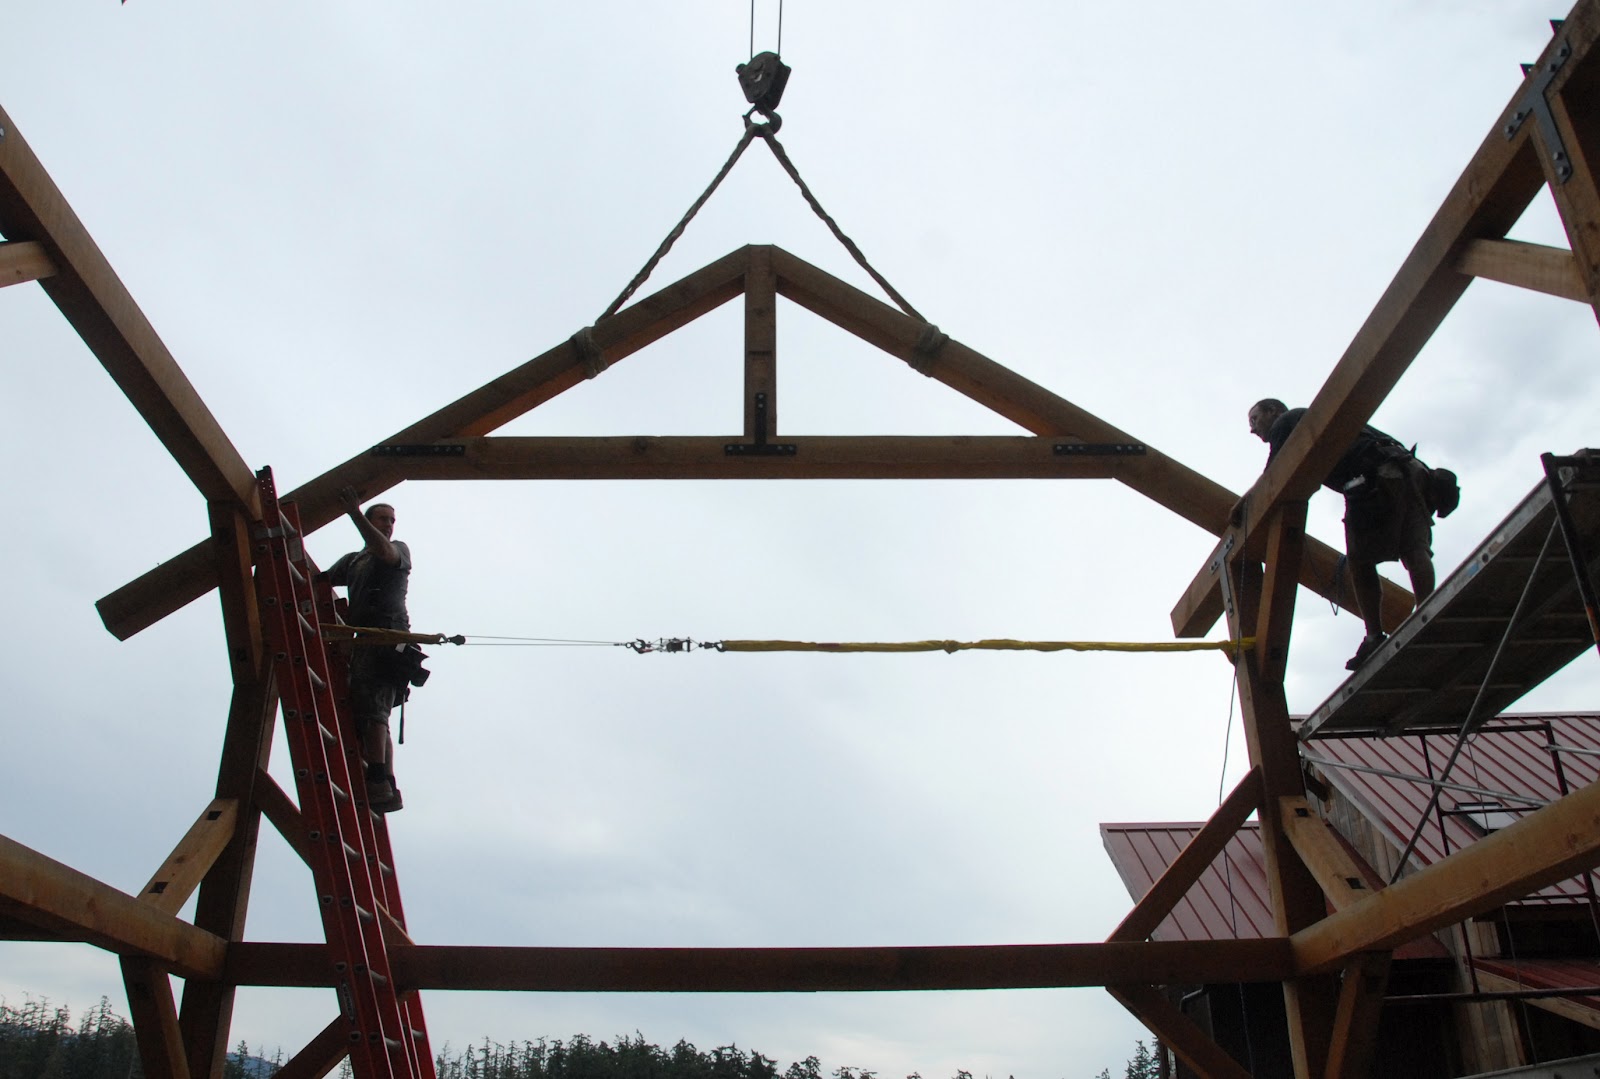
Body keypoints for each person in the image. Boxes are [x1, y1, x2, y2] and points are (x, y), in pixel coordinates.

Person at [1247, 398, 1437, 671]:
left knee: (1360, 563)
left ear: (1273, 411)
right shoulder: (1312, 423)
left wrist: (1245, 505)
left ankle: (1374, 636)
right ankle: (1428, 609)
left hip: (1374, 479)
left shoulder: (1286, 422)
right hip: (1409, 471)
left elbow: (1272, 478)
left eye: (1255, 420)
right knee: (1413, 549)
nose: (1253, 430)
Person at [323, 487, 412, 813]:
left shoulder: (397, 550)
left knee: (376, 712)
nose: (389, 525)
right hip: (364, 642)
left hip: (389, 641)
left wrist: (355, 515)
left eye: (391, 520)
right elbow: (319, 582)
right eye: (383, 519)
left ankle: (379, 779)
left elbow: (384, 551)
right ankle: (383, 780)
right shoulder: (354, 561)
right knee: (371, 713)